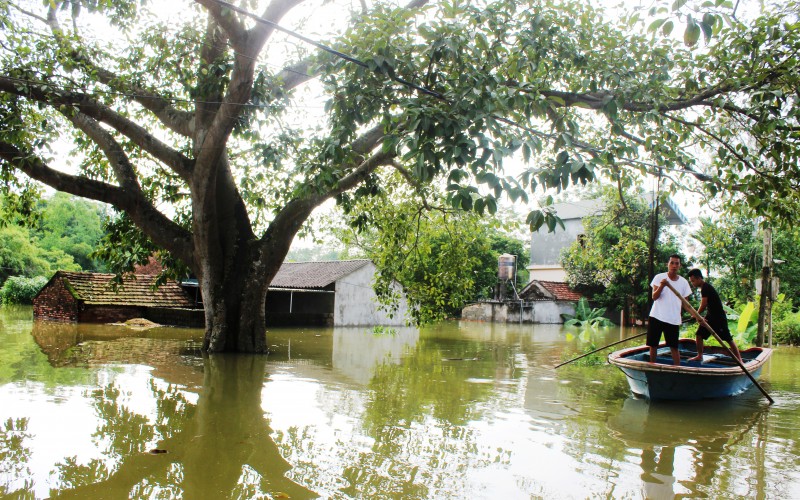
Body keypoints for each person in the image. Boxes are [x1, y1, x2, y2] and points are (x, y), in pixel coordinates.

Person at [686, 268, 742, 363]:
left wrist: (696, 314)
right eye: (691, 281)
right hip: (710, 317)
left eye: (693, 281)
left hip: (719, 318)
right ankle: (700, 355)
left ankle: (739, 360)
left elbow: (703, 305)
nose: (692, 283)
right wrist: (698, 316)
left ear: (699, 278)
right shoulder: (704, 288)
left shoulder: (706, 288)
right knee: (699, 335)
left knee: (728, 339)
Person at [647, 254, 693, 365]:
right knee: (653, 345)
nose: (674, 265)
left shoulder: (683, 282)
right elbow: (654, 297)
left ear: (679, 266)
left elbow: (686, 304)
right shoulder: (659, 278)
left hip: (673, 319)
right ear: (668, 264)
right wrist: (662, 286)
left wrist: (696, 316)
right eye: (672, 263)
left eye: (676, 263)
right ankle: (652, 367)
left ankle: (677, 368)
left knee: (674, 346)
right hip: (656, 316)